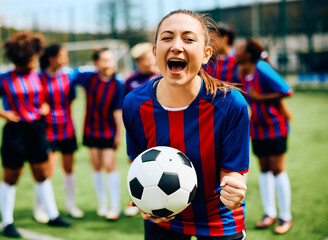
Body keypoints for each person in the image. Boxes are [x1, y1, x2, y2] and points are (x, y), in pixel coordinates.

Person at [123, 10, 249, 240]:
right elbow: (138, 163)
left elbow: (234, 172)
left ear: (205, 54)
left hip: (219, 217)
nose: (177, 46)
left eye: (189, 39)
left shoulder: (230, 104)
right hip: (163, 218)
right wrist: (143, 201)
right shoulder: (134, 104)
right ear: (154, 52)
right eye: (167, 37)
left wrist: (235, 188)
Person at [0, 31, 71, 238]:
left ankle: (53, 215)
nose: (34, 60)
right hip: (15, 132)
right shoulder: (3, 78)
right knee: (11, 177)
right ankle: (7, 222)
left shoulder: (38, 76)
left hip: (37, 129)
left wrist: (45, 107)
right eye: (32, 57)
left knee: (42, 174)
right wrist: (3, 113)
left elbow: (43, 97)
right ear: (21, 58)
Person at [235, 38, 293, 234]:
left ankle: (286, 217)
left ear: (249, 53)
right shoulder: (243, 71)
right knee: (264, 170)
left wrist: (261, 98)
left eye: (241, 47)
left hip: (275, 126)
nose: (237, 49)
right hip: (257, 128)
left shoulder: (261, 67)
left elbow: (286, 90)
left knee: (277, 169)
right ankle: (270, 214)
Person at [72, 48, 124, 220]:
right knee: (96, 167)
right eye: (104, 60)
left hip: (109, 131)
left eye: (110, 60)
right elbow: (69, 76)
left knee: (110, 166)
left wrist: (118, 134)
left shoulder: (118, 84)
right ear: (96, 63)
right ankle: (102, 203)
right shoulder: (89, 79)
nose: (108, 63)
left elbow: (118, 112)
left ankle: (114, 207)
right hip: (90, 129)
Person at [35, 44, 83, 222]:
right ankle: (39, 208)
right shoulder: (38, 78)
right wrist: (41, 107)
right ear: (51, 58)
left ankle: (71, 206)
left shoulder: (69, 76)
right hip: (47, 131)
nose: (66, 59)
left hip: (68, 129)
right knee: (46, 172)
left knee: (69, 169)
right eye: (63, 55)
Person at [123, 42, 159, 217]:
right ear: (137, 62)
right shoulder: (130, 81)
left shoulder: (162, 77)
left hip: (158, 129)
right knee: (137, 166)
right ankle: (135, 200)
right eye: (143, 59)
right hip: (138, 132)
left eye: (150, 57)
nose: (149, 61)